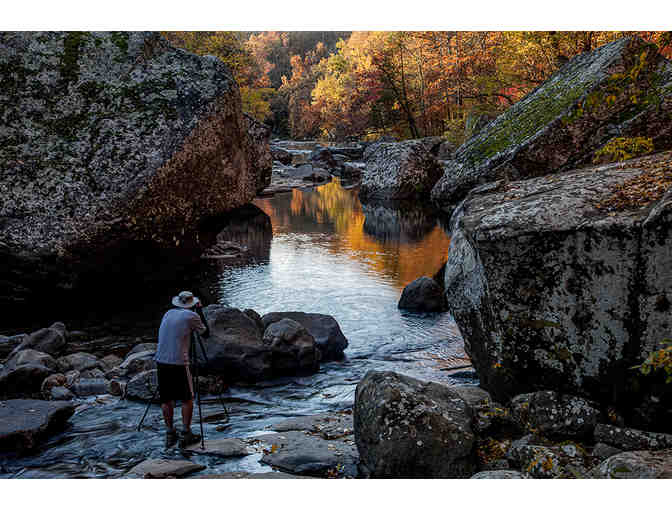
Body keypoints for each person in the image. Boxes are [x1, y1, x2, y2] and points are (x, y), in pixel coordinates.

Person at [154, 290, 210, 448]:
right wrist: (199, 310)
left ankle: (170, 432)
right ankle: (186, 433)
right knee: (187, 398)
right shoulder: (191, 316)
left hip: (161, 360)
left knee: (166, 399)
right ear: (192, 304)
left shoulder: (168, 313)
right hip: (178, 361)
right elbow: (206, 333)